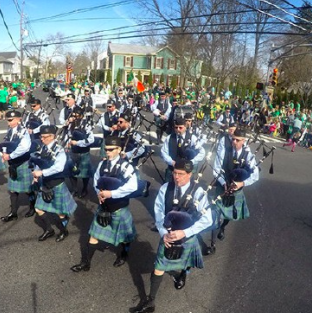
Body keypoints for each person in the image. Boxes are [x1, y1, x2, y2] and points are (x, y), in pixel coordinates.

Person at [130, 159, 213, 313]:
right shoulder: (166, 188)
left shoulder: (199, 193)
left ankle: (183, 274)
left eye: (181, 174)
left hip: (187, 238)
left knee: (185, 262)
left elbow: (207, 219)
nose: (176, 177)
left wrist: (185, 232)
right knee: (159, 267)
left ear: (190, 174)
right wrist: (163, 232)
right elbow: (159, 212)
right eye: (175, 173)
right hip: (168, 237)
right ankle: (150, 301)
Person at [71, 136, 138, 272]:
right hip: (104, 207)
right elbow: (96, 180)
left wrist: (111, 194)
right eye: (106, 149)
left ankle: (124, 254)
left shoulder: (126, 167)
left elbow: (133, 186)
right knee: (94, 235)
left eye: (111, 150)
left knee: (124, 237)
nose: (107, 152)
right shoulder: (102, 164)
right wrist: (99, 193)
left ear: (119, 150)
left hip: (119, 209)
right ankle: (86, 262)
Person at [210, 127, 259, 245]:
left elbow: (255, 175)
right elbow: (216, 169)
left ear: (244, 141)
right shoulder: (224, 151)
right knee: (215, 213)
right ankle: (212, 244)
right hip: (223, 186)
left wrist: (242, 183)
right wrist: (223, 182)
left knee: (229, 215)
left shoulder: (248, 155)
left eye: (237, 140)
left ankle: (223, 227)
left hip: (236, 189)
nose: (234, 142)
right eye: (233, 139)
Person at [31, 125, 77, 242]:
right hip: (45, 184)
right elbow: (39, 162)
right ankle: (48, 229)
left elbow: (59, 167)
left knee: (60, 213)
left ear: (53, 137)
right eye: (41, 137)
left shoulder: (59, 150)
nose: (42, 139)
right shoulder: (43, 148)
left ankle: (63, 231)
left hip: (57, 184)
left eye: (45, 137)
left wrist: (42, 172)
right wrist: (36, 174)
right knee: (38, 209)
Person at [0, 110, 35, 222]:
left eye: (11, 120)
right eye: (8, 120)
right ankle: (13, 213)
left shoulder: (23, 132)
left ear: (19, 119)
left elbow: (24, 148)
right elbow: (5, 143)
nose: (8, 123)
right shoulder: (10, 131)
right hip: (13, 164)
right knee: (13, 190)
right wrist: (4, 153)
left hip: (23, 163)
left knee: (28, 189)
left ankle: (32, 207)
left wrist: (10, 156)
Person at [160, 117, 205, 183]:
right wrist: (171, 162)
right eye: (176, 127)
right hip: (172, 169)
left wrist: (192, 162)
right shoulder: (169, 138)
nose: (178, 129)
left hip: (186, 171)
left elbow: (202, 152)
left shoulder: (192, 138)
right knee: (168, 188)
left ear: (185, 127)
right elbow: (163, 152)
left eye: (180, 127)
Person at [64, 106, 94, 198]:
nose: (74, 118)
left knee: (85, 173)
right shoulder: (70, 124)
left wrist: (77, 143)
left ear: (81, 116)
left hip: (83, 152)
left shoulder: (87, 125)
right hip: (73, 151)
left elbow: (91, 140)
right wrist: (67, 143)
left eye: (76, 116)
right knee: (72, 171)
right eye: (73, 116)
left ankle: (85, 189)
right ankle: (74, 189)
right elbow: (68, 135)